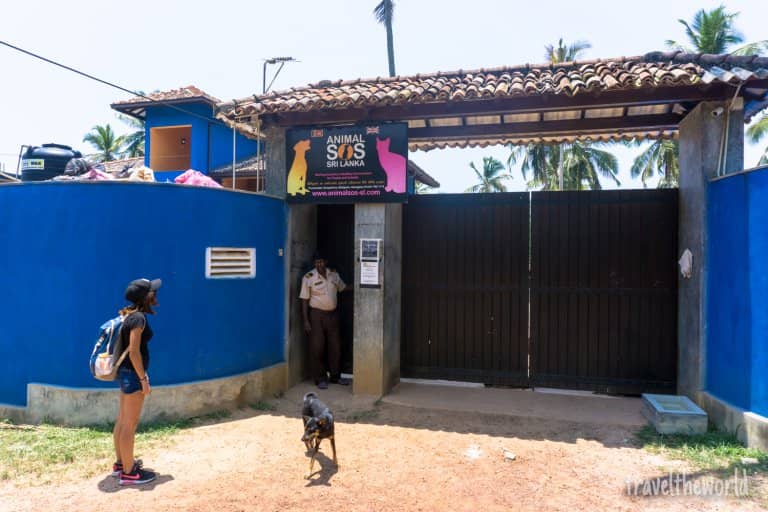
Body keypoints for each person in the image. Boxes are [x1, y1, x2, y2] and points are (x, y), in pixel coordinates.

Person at [112, 278, 161, 486]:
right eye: (152, 292)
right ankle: (129, 473)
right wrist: (143, 379)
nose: (155, 294)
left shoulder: (129, 314)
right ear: (146, 297)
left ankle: (121, 464)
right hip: (133, 374)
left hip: (124, 373)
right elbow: (133, 351)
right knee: (129, 425)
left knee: (122, 420)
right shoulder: (138, 318)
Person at [300, 252, 351, 389]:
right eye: (317, 262)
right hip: (317, 316)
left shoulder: (333, 275)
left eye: (321, 261)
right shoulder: (308, 278)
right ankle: (320, 378)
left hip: (332, 315)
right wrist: (306, 320)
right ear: (314, 263)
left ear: (326, 262)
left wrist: (360, 286)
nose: (319, 264)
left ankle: (335, 376)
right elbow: (304, 300)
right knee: (318, 347)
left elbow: (343, 288)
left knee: (336, 347)